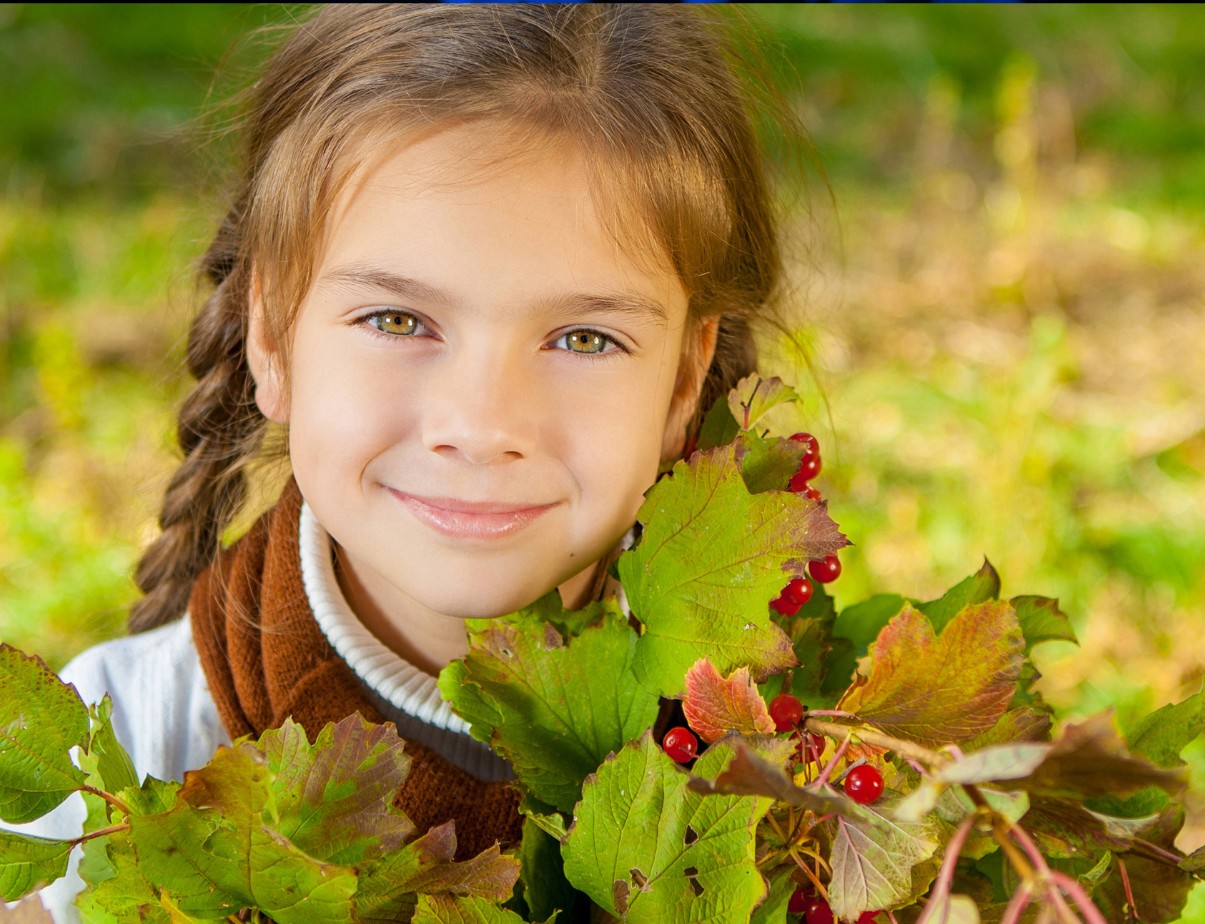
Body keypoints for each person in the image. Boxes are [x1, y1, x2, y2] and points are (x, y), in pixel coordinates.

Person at [10, 5, 794, 920]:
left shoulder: (800, 775)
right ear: (273, 335)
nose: (481, 425)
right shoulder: (104, 775)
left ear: (684, 378)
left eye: (583, 338)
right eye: (398, 320)